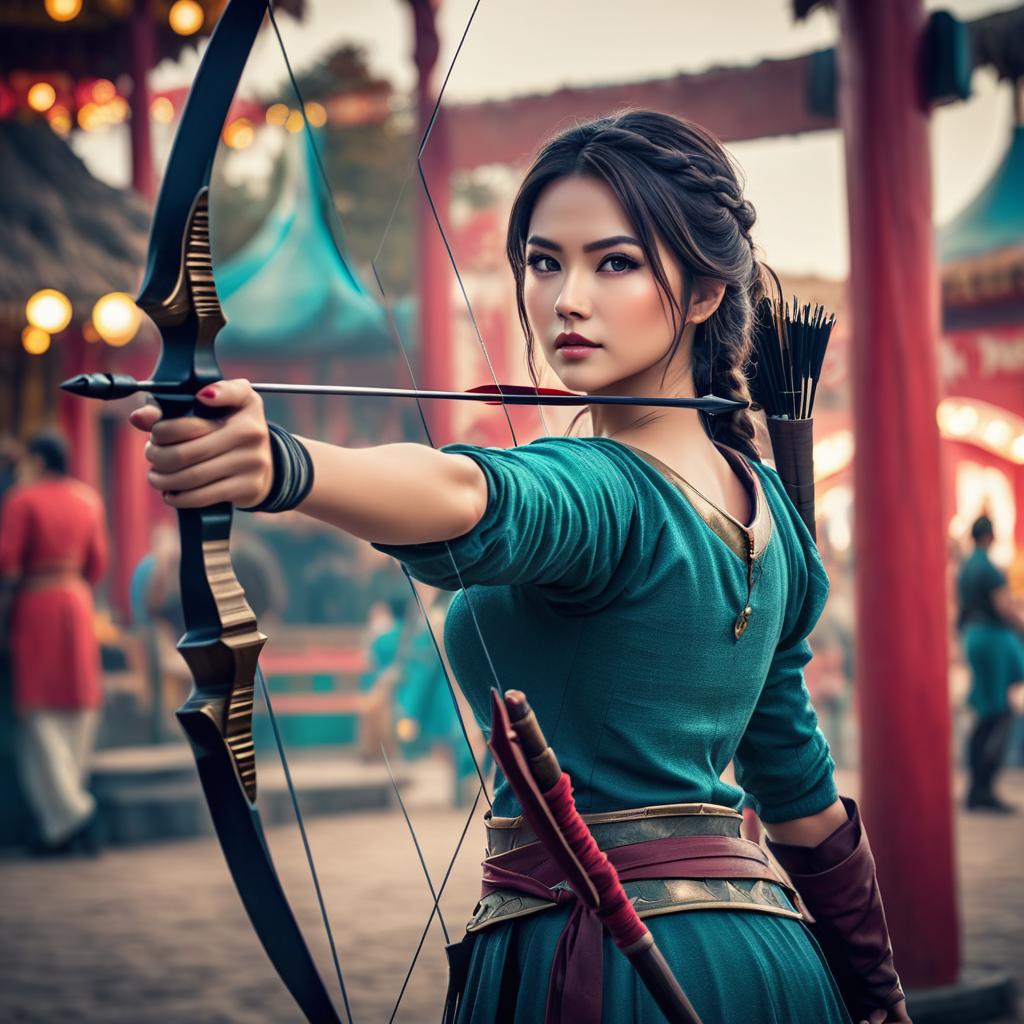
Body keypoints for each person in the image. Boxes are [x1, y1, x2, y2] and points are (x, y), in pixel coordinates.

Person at [128, 111, 908, 1024]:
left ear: (702, 293)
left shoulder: (603, 488)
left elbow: (470, 493)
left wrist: (285, 467)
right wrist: (879, 993)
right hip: (771, 964)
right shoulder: (771, 513)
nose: (566, 297)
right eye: (545, 262)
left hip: (604, 967)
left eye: (614, 262)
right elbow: (806, 809)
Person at [0, 432, 108, 854]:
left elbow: (6, 559)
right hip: (76, 602)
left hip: (37, 604)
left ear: (39, 461)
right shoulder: (89, 500)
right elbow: (97, 564)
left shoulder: (23, 500)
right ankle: (61, 825)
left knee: (39, 710)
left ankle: (73, 815)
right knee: (79, 705)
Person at [956, 515, 1024, 812]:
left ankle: (976, 786)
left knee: (987, 711)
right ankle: (983, 787)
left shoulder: (965, 570)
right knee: (998, 713)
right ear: (990, 537)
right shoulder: (990, 569)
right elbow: (1004, 607)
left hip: (973, 636)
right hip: (994, 640)